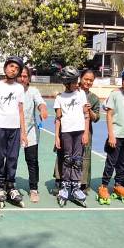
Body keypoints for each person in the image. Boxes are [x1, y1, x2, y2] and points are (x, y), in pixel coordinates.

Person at [97, 68, 124, 205]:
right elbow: (109, 115)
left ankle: (118, 185)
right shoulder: (115, 95)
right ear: (122, 80)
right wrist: (111, 135)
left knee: (123, 164)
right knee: (111, 162)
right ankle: (104, 186)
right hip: (116, 135)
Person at [0, 56, 27, 206]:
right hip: (0, 127)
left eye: (17, 68)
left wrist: (23, 132)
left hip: (15, 128)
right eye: (11, 66)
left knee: (13, 157)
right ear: (5, 68)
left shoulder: (19, 88)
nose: (14, 70)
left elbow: (21, 110)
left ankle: (10, 184)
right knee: (0, 157)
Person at [54, 66, 90, 206]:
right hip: (66, 132)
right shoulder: (60, 98)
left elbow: (86, 115)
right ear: (67, 83)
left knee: (78, 160)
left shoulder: (81, 94)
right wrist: (56, 137)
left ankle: (75, 187)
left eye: (77, 81)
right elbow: (58, 119)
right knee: (67, 159)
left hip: (80, 131)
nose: (77, 84)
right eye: (74, 82)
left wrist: (86, 132)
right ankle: (65, 186)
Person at [19, 66, 48, 203]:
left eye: (25, 76)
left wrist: (43, 110)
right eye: (20, 76)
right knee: (9, 159)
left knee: (32, 160)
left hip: (30, 131)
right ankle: (7, 185)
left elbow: (40, 102)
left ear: (29, 78)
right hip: (13, 130)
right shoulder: (12, 91)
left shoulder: (33, 91)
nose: (22, 79)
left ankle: (33, 189)